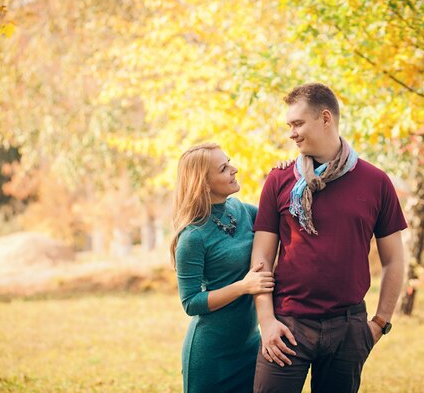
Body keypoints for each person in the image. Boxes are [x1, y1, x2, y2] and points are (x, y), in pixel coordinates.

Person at [251, 83, 407, 393]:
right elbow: (262, 259)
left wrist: (379, 323)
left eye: (298, 124)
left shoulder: (375, 181)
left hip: (348, 327)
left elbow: (394, 259)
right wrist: (266, 321)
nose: (291, 133)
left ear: (325, 118)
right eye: (289, 126)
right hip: (287, 325)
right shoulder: (280, 179)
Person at [171, 143, 275, 393]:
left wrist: (284, 172)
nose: (234, 169)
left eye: (229, 162)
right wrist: (242, 287)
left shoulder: (241, 210)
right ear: (204, 183)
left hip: (249, 346)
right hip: (211, 356)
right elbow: (191, 302)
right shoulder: (192, 237)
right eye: (224, 168)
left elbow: (277, 220)